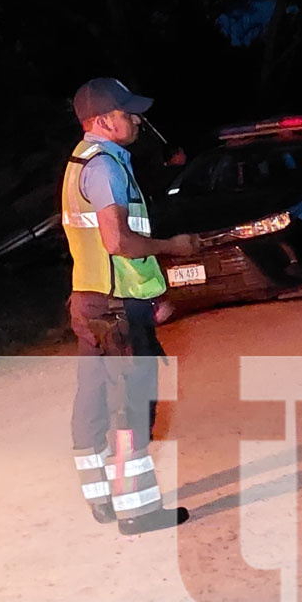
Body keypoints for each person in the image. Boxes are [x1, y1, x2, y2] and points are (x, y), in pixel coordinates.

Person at [62, 78, 198, 535]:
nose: (137, 119)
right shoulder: (106, 167)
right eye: (127, 113)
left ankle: (102, 500)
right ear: (102, 121)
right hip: (118, 305)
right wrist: (173, 246)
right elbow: (118, 240)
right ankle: (137, 511)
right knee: (132, 406)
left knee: (93, 402)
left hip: (89, 298)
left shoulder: (80, 162)